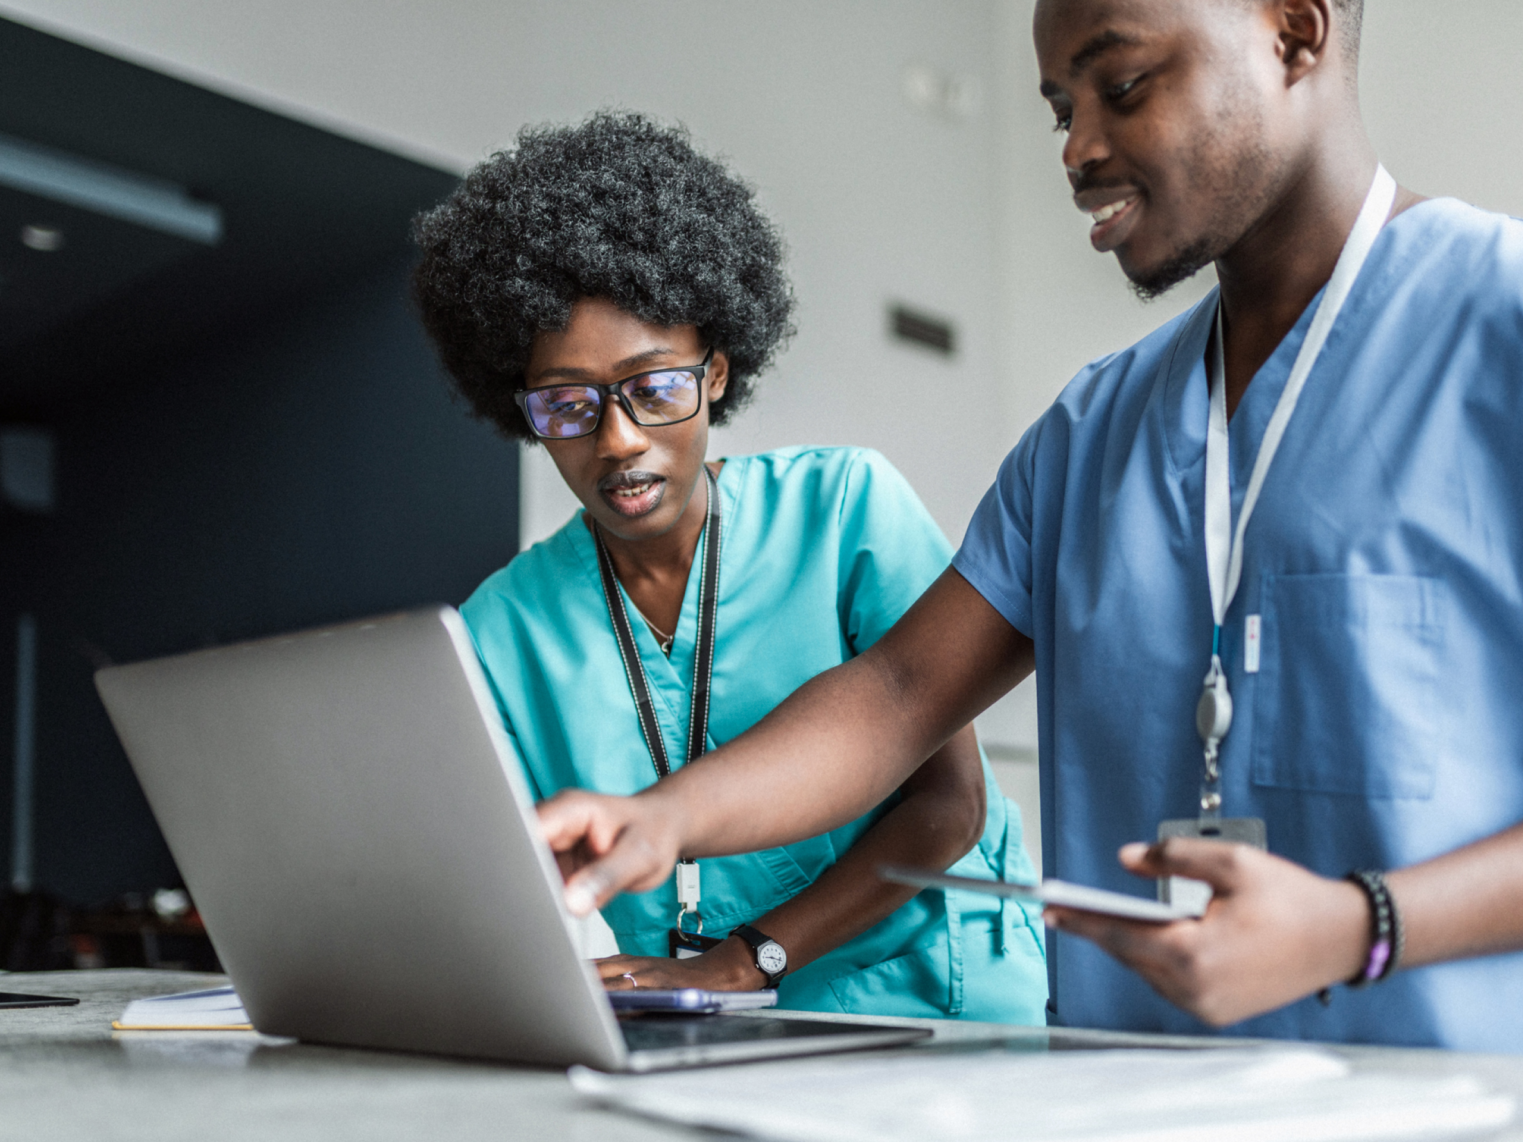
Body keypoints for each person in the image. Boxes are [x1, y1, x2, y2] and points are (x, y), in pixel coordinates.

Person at [535, 0, 1523, 1056]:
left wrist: (1359, 924)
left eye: (1123, 85)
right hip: (1122, 1098)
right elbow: (899, 693)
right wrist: (664, 818)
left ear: (1294, 31)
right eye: (1059, 112)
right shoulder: (1092, 428)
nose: (1080, 149)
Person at [410, 112, 1047, 1024]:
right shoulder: (500, 627)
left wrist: (752, 958)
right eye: (568, 405)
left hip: (926, 998)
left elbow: (950, 809)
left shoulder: (843, 510)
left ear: (715, 372)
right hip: (690, 1023)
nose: (618, 440)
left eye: (655, 388)